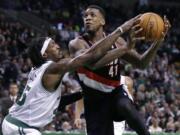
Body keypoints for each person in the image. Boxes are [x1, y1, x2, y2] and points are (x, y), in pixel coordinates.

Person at [1, 14, 138, 135]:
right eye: (53, 45)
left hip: (14, 124)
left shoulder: (39, 71)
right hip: (21, 127)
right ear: (44, 54)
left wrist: (81, 93)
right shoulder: (53, 68)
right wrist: (121, 30)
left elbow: (56, 102)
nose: (58, 46)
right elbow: (90, 55)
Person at [69, 5, 170, 135]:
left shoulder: (117, 41)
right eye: (85, 16)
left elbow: (141, 63)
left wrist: (158, 42)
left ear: (102, 21)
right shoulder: (76, 44)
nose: (87, 18)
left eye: (92, 15)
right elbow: (93, 63)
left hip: (114, 95)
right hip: (94, 102)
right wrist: (121, 32)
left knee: (125, 105)